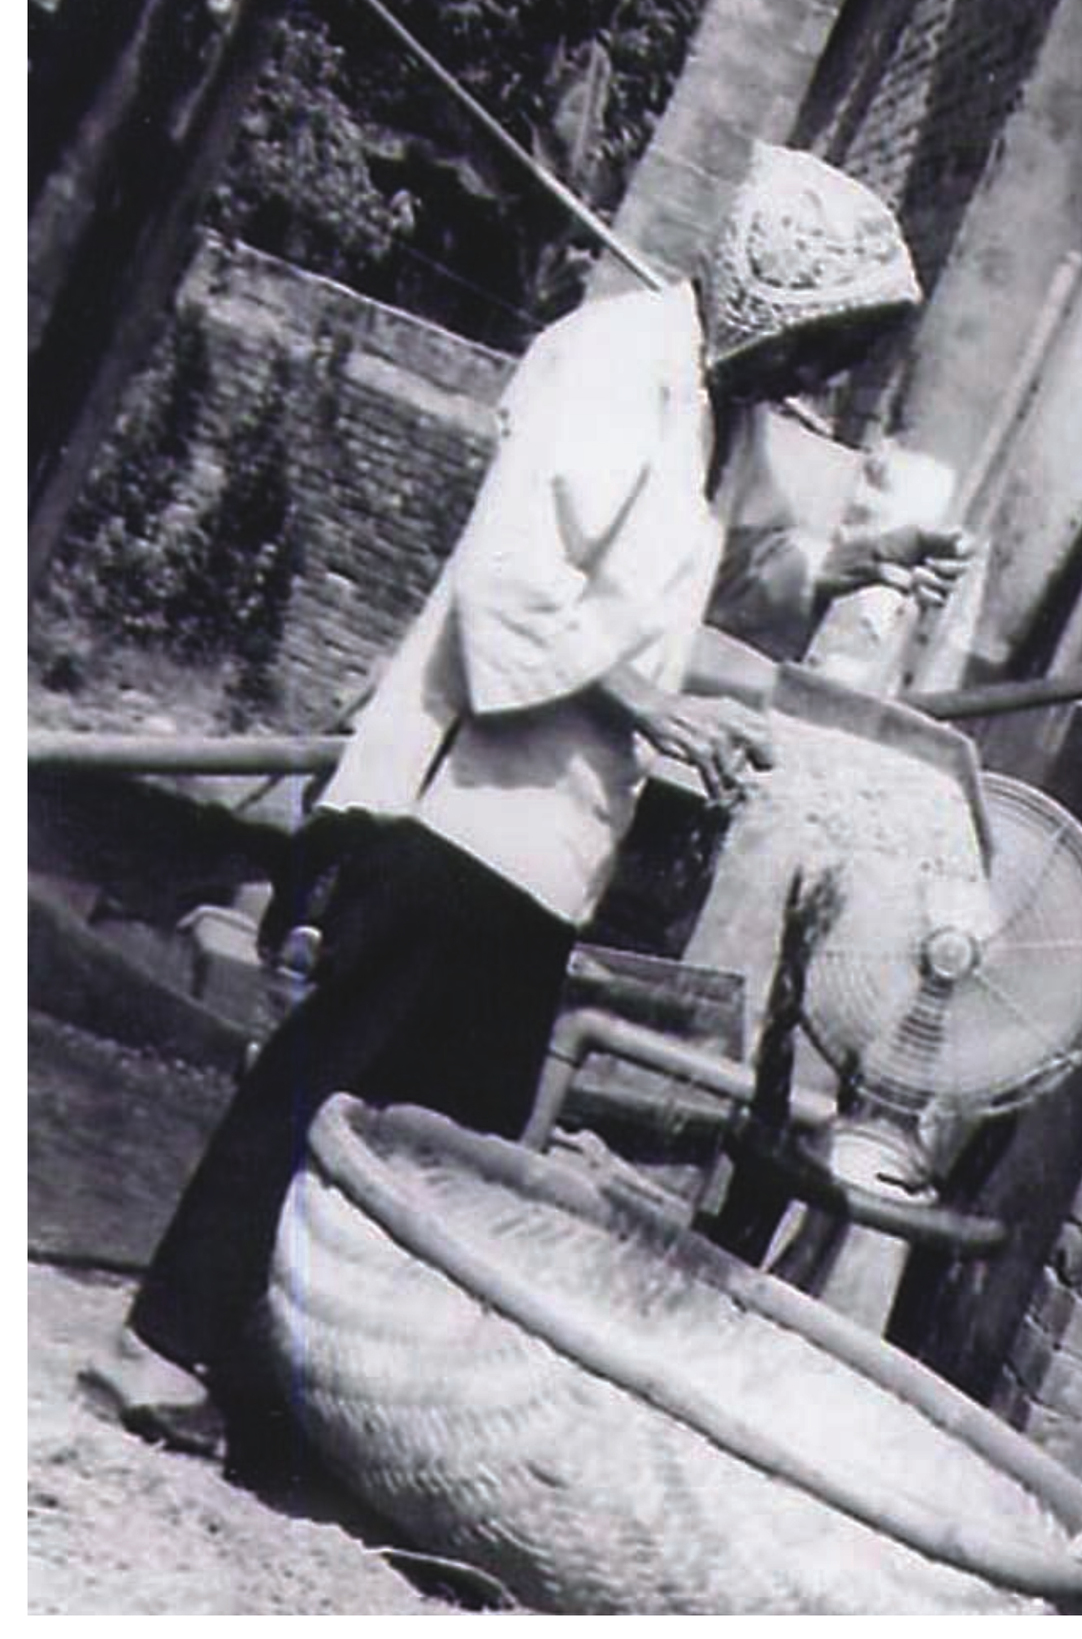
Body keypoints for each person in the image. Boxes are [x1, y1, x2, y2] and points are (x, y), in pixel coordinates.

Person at [83, 145, 971, 1458]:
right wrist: (655, 706)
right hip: (454, 805)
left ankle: (288, 1371)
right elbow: (511, 586)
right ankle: (155, 1346)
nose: (813, 376)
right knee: (330, 1080)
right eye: (814, 343)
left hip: (547, 839)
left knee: (443, 1141)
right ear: (766, 299)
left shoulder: (719, 413)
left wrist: (857, 562)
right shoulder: (609, 362)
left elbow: (709, 579)